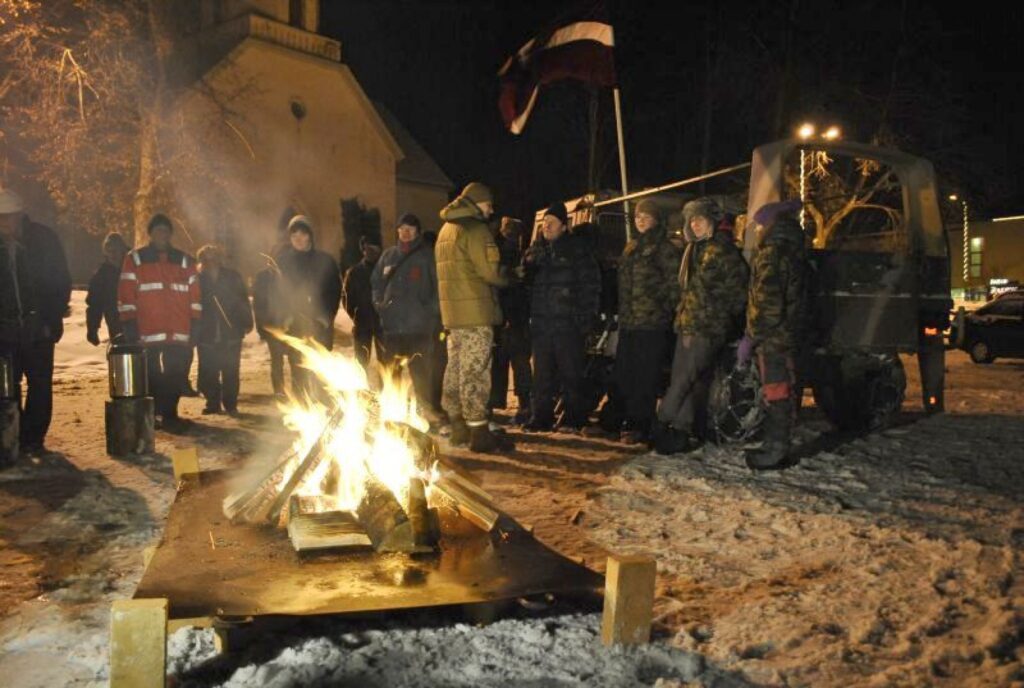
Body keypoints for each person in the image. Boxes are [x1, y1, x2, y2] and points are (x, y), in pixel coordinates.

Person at [654, 198, 749, 454]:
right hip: (687, 324)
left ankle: (660, 425)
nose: (694, 225)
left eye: (700, 219)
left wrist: (720, 314)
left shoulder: (723, 252)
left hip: (707, 327)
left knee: (684, 379)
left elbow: (739, 291)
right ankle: (681, 431)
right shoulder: (695, 250)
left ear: (713, 222)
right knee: (684, 379)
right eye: (691, 220)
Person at [435, 182, 512, 453]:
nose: (491, 210)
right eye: (488, 204)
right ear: (477, 202)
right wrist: (510, 275)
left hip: (452, 315)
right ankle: (479, 432)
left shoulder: (446, 230)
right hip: (476, 313)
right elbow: (490, 272)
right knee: (475, 371)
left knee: (454, 368)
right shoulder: (475, 229)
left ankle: (458, 426)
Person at [604, 198, 683, 445]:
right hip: (630, 321)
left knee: (645, 376)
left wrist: (666, 311)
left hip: (652, 323)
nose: (640, 221)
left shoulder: (665, 249)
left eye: (645, 217)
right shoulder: (631, 247)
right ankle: (613, 421)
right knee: (623, 373)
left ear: (656, 219)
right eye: (637, 217)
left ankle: (640, 424)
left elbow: (674, 285)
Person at [0, 188, 72, 455]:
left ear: (19, 215)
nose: (5, 224)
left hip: (38, 326)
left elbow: (60, 281)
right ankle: (17, 434)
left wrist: (50, 319)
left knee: (40, 383)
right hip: (6, 329)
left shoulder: (43, 240)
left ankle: (34, 437)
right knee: (9, 385)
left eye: (9, 217)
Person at [738, 199, 807, 470]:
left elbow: (767, 304)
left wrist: (750, 338)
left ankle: (775, 451)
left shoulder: (771, 253)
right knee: (784, 390)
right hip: (788, 333)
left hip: (773, 338)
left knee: (776, 391)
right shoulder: (794, 249)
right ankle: (776, 443)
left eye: (758, 225)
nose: (756, 230)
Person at [117, 213, 201, 431]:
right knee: (151, 375)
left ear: (170, 234)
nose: (162, 234)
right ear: (151, 234)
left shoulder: (185, 261)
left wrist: (197, 324)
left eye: (165, 230)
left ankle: (170, 414)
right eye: (157, 230)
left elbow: (196, 296)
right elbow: (126, 294)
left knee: (176, 374)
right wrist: (129, 324)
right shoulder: (134, 259)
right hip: (148, 330)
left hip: (178, 331)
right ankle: (154, 414)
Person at [522, 203, 600, 433]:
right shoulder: (536, 251)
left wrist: (585, 319)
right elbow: (524, 284)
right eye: (544, 223)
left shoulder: (578, 251)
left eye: (552, 223)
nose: (546, 227)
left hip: (568, 324)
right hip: (542, 324)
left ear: (564, 226)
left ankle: (574, 418)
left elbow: (591, 286)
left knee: (571, 372)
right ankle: (541, 417)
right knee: (542, 374)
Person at [372, 213, 441, 419]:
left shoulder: (427, 256)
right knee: (390, 373)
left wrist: (430, 312)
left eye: (410, 229)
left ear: (417, 232)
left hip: (419, 328)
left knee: (421, 374)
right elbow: (376, 282)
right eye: (402, 229)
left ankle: (424, 414)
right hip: (392, 327)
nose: (405, 233)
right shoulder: (388, 255)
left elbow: (438, 288)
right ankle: (392, 414)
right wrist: (379, 304)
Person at [277, 215, 342, 400]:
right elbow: (278, 292)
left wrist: (326, 316)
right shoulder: (283, 262)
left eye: (302, 234)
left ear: (310, 236)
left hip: (319, 325)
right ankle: (303, 411)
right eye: (294, 235)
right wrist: (286, 315)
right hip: (295, 325)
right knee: (298, 369)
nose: (298, 239)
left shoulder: (325, 261)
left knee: (320, 370)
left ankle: (324, 408)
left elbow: (334, 292)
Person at [196, 245, 253, 416]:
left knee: (230, 369)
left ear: (220, 259)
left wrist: (247, 322)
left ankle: (230, 403)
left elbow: (243, 300)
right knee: (208, 369)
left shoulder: (232, 277)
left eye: (214, 258)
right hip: (207, 331)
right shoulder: (197, 279)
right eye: (206, 259)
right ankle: (212, 402)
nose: (210, 262)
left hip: (231, 331)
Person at [489, 216, 532, 425]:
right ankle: (523, 405)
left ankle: (501, 405)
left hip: (507, 319)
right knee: (516, 363)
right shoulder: (512, 254)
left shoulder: (503, 252)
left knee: (503, 363)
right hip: (512, 318)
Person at [253, 248, 289, 398]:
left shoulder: (289, 275)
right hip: (272, 325)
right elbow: (258, 303)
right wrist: (261, 327)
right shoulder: (262, 277)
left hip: (290, 323)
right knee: (277, 359)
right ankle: (279, 390)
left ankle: (300, 390)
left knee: (296, 358)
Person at [342, 237, 383, 370]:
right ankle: (363, 389)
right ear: (363, 250)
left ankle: (386, 389)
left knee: (386, 362)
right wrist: (355, 314)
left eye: (375, 248)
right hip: (362, 322)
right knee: (361, 361)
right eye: (368, 248)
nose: (371, 251)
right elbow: (347, 297)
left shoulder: (386, 270)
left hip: (383, 322)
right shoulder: (354, 272)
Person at [86, 232, 130, 346]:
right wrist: (92, 329)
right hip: (115, 323)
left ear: (122, 250)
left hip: (137, 322)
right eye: (110, 251)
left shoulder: (134, 268)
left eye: (116, 250)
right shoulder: (102, 275)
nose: (113, 254)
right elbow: (95, 304)